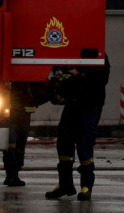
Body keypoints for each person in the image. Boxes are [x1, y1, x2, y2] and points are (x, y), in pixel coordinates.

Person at [45, 57, 111, 201]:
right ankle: (65, 184)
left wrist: (79, 73)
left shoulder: (97, 54)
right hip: (72, 104)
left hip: (89, 105)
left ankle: (86, 186)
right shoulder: (70, 52)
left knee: (84, 144)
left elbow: (100, 78)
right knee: (63, 142)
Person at [2, 81, 52, 187]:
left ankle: (13, 173)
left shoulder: (26, 79)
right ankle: (11, 173)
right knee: (11, 141)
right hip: (11, 110)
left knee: (19, 141)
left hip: (22, 109)